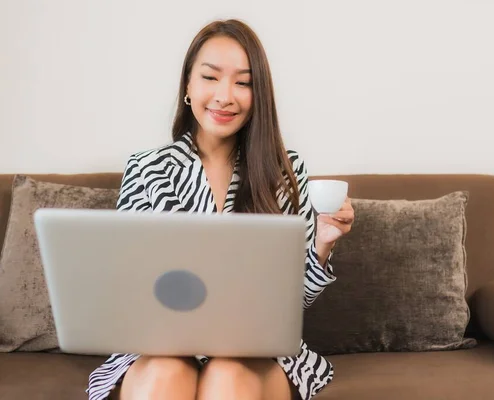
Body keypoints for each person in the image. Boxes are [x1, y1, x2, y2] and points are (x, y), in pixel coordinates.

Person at [86, 19, 355, 400]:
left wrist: (324, 244)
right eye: (210, 77)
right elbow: (127, 288)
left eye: (243, 82)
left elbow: (295, 302)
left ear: (258, 93)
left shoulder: (284, 170)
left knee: (227, 376)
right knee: (163, 374)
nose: (225, 96)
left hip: (254, 349)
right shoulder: (146, 169)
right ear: (188, 86)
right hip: (164, 345)